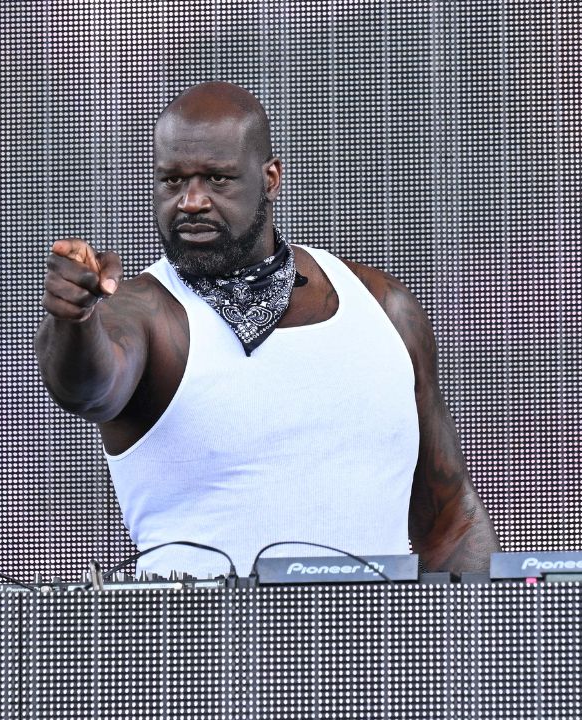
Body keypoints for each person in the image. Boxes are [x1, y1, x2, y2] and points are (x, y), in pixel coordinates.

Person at [35, 82, 498, 578]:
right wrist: (75, 319)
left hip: (373, 650)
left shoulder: (383, 306)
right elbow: (86, 388)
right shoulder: (145, 311)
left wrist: (474, 640)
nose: (191, 201)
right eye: (172, 181)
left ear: (271, 178)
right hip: (196, 649)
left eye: (217, 178)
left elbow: (450, 521)